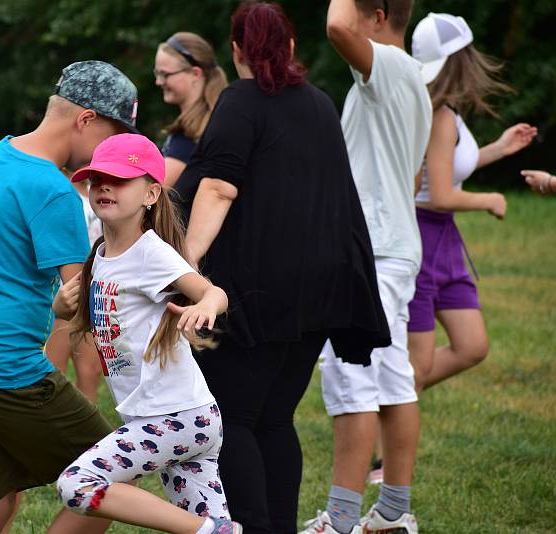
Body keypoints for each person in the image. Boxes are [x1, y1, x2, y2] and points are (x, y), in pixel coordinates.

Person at [173, 4, 391, 533]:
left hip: (258, 290)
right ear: (290, 46)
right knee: (274, 416)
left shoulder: (240, 101)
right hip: (323, 289)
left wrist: (187, 263)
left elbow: (220, 185)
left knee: (235, 416)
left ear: (236, 51)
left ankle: (252, 525)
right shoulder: (319, 103)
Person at [0, 60, 138, 534]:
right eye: (114, 135)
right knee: (111, 475)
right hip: (2, 368)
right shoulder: (55, 192)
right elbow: (84, 298)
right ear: (85, 119)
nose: (114, 153)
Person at [55, 133, 240, 534]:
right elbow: (74, 313)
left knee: (78, 484)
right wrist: (61, 304)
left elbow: (213, 292)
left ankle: (211, 530)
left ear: (151, 193)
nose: (104, 185)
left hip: (174, 418)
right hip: (180, 419)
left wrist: (206, 305)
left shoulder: (150, 252)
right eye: (97, 178)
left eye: (120, 179)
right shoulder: (101, 254)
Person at [302, 1, 434, 533]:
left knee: (351, 380)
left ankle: (339, 522)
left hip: (372, 251)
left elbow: (335, 25)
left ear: (376, 16)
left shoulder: (387, 68)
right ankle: (393, 513)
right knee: (394, 381)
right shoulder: (409, 79)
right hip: (391, 248)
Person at [407, 13, 537, 393]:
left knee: (472, 345)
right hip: (422, 238)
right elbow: (441, 194)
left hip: (444, 241)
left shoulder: (448, 111)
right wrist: (490, 200)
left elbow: (444, 170)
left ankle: (390, 397)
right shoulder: (439, 115)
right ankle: (385, 440)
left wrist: (498, 149)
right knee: (419, 361)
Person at [45, 175, 105, 402]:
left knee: (90, 371)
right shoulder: (57, 187)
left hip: (92, 293)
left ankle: (87, 434)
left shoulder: (96, 189)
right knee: (53, 369)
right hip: (63, 292)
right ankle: (48, 429)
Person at [155, 32, 227, 186]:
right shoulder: (213, 122)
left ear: (195, 73)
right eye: (157, 73)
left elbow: (154, 190)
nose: (158, 81)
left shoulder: (191, 135)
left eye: (165, 74)